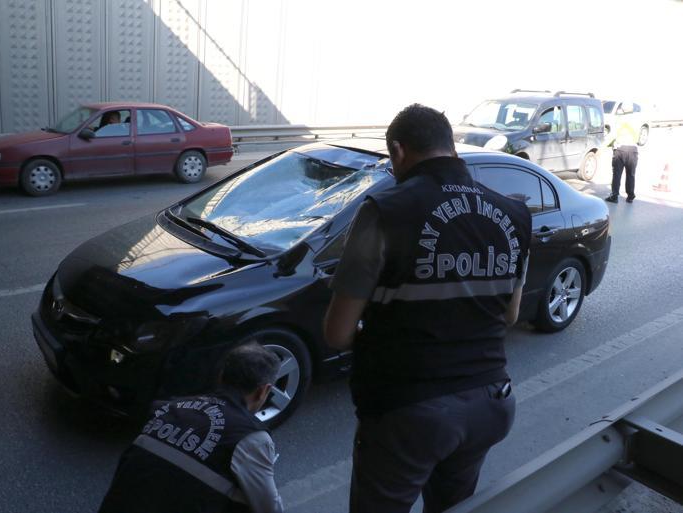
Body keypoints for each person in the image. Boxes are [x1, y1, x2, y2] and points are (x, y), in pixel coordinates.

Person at [324, 104, 532, 513]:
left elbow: (337, 334)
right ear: (451, 148)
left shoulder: (385, 211)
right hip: (491, 402)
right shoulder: (515, 214)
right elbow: (508, 315)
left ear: (398, 152)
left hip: (409, 411)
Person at [99, 343, 284, 513]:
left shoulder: (165, 408)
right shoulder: (250, 438)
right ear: (263, 391)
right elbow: (269, 508)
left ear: (221, 376)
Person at [605, 101, 639, 203]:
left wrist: (606, 145)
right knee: (631, 174)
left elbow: (613, 135)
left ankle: (614, 196)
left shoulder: (619, 119)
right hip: (633, 150)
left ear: (622, 109)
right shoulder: (637, 119)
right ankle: (630, 196)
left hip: (620, 149)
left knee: (617, 174)